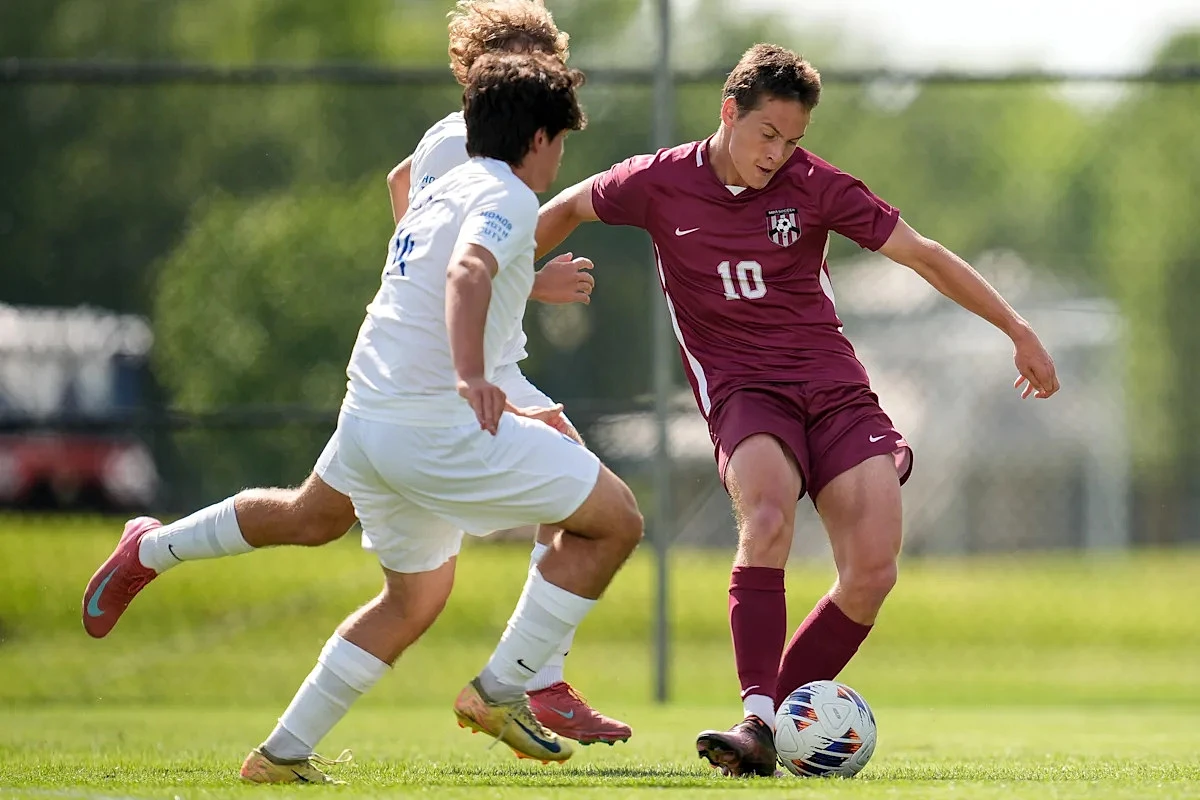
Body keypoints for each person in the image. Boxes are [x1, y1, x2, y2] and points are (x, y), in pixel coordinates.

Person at [80, 0, 631, 747]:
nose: (539, 75)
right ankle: (536, 678)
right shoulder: (479, 157)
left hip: (393, 378)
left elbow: (411, 202)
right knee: (592, 498)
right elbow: (465, 262)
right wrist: (514, 306)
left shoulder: (451, 143)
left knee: (320, 523)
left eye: (544, 62)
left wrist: (489, 284)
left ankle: (154, 555)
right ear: (483, 73)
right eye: (523, 63)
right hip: (449, 376)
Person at [534, 42, 1060, 777]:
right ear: (729, 112)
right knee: (768, 516)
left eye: (792, 140)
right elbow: (564, 207)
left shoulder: (815, 185)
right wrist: (512, 278)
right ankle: (758, 715)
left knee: (873, 570)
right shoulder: (658, 182)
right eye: (767, 134)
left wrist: (1017, 329)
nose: (777, 154)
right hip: (744, 393)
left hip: (834, 390)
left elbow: (923, 253)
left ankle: (766, 728)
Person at [235, 51, 642, 784]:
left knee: (411, 600)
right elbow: (468, 270)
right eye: (560, 141)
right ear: (540, 139)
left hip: (368, 425)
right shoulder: (508, 194)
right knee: (615, 520)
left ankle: (281, 755)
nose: (559, 157)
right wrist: (471, 375)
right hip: (435, 429)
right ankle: (504, 688)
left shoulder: (441, 185)